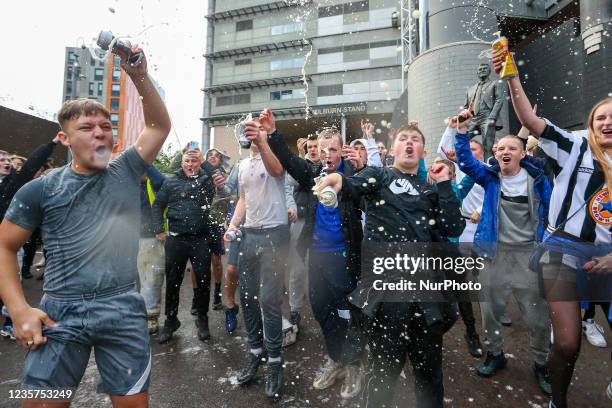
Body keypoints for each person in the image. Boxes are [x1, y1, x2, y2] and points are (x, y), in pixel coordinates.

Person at [0, 44, 170, 407]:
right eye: (87, 127)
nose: (99, 133)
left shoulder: (126, 169)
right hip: (61, 312)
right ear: (64, 138)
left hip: (122, 307)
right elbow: (4, 245)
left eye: (106, 127)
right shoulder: (40, 189)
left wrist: (138, 75)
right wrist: (18, 309)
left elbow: (159, 125)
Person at [315, 124, 465, 408]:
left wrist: (445, 184)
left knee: (429, 376)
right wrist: (337, 179)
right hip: (387, 297)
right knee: (383, 375)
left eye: (416, 140)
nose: (409, 143)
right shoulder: (379, 175)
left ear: (422, 151)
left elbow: (453, 225)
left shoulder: (429, 190)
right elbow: (354, 183)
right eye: (403, 139)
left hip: (425, 295)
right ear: (393, 149)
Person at [501, 49, 612, 407]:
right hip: (564, 249)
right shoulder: (575, 147)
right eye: (601, 118)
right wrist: (511, 75)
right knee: (567, 343)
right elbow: (531, 121)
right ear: (591, 124)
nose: (607, 123)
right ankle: (558, 402)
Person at [267, 111, 366, 400]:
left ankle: (354, 363)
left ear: (342, 149)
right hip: (317, 257)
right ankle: (337, 357)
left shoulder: (354, 175)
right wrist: (274, 134)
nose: (327, 155)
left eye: (333, 149)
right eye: (323, 150)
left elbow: (367, 193)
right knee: (322, 310)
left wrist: (360, 168)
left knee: (348, 312)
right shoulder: (314, 173)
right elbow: (289, 160)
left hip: (345, 257)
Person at [453, 109, 553, 395]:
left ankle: (541, 363)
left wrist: (545, 247)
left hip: (528, 258)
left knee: (536, 317)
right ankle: (494, 354)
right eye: (500, 148)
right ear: (495, 154)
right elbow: (465, 161)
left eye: (512, 148)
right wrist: (462, 132)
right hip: (493, 255)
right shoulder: (490, 177)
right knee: (490, 313)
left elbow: (552, 216)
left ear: (523, 154)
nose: (505, 151)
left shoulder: (539, 181)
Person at [226, 113, 290, 398]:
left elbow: (276, 172)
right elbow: (243, 199)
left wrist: (264, 140)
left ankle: (275, 362)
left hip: (275, 234)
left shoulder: (274, 157)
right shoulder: (241, 165)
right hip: (250, 234)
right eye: (251, 130)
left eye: (259, 129)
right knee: (248, 297)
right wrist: (232, 224)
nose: (254, 133)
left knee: (269, 300)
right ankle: (256, 352)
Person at [152, 148, 224, 343]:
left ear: (199, 163)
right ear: (182, 162)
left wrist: (204, 162)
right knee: (173, 280)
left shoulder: (206, 181)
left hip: (200, 239)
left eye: (194, 161)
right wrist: (159, 229)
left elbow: (218, 179)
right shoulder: (171, 182)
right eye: (187, 161)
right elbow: (158, 205)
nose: (190, 165)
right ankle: (171, 319)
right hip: (176, 239)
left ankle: (202, 318)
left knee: (203, 280)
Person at [0, 138, 62, 338]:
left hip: (6, 243)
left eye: (7, 158)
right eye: (1, 159)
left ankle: (10, 320)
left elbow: (30, 166)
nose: (6, 161)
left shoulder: (13, 183)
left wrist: (51, 144)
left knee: (10, 282)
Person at [138, 165, 166, 334]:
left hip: (150, 237)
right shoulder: (125, 182)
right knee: (129, 280)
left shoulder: (154, 183)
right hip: (127, 236)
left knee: (151, 279)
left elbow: (162, 183)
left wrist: (145, 161)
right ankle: (132, 315)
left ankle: (151, 317)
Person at [205, 148, 232, 311]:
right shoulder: (198, 172)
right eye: (210, 155)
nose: (213, 158)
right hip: (199, 223)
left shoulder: (224, 176)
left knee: (216, 261)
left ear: (221, 160)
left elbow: (228, 194)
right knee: (197, 263)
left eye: (217, 156)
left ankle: (216, 295)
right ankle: (198, 297)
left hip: (215, 223)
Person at [464, 62, 505, 160]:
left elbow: (499, 100)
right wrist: (465, 119)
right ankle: (464, 163)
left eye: (484, 69)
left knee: (488, 145)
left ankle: (488, 165)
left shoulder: (494, 84)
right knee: (462, 140)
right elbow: (466, 106)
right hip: (474, 118)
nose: (482, 70)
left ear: (489, 71)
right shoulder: (471, 89)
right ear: (477, 73)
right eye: (480, 69)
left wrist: (492, 116)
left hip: (487, 116)